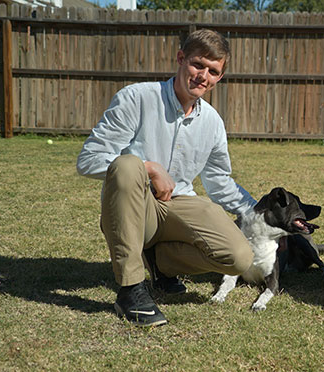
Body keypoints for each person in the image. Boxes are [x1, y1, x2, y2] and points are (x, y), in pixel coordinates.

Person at [77, 29, 256, 327]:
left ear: (219, 78)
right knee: (127, 165)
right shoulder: (137, 98)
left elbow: (219, 181)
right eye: (198, 65)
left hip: (178, 203)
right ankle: (130, 289)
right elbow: (89, 160)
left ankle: (161, 263)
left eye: (213, 71)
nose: (203, 76)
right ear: (181, 58)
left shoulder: (212, 122)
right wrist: (150, 168)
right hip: (136, 207)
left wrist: (259, 213)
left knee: (239, 257)